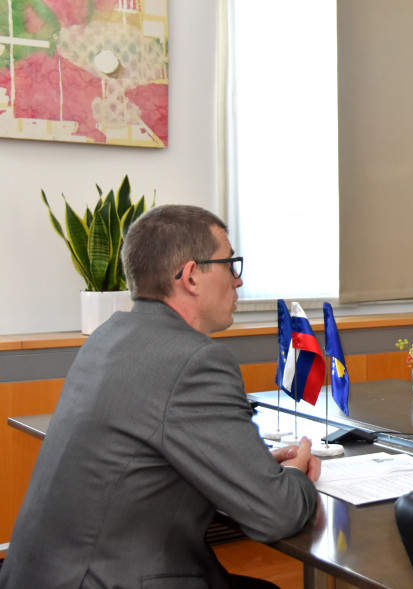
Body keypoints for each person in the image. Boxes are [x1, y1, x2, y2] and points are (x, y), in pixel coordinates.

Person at [0, 205, 320, 589]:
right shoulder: (195, 360)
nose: (237, 281)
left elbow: (148, 455)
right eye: (230, 264)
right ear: (190, 277)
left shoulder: (109, 337)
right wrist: (296, 478)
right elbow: (277, 514)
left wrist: (247, 467)